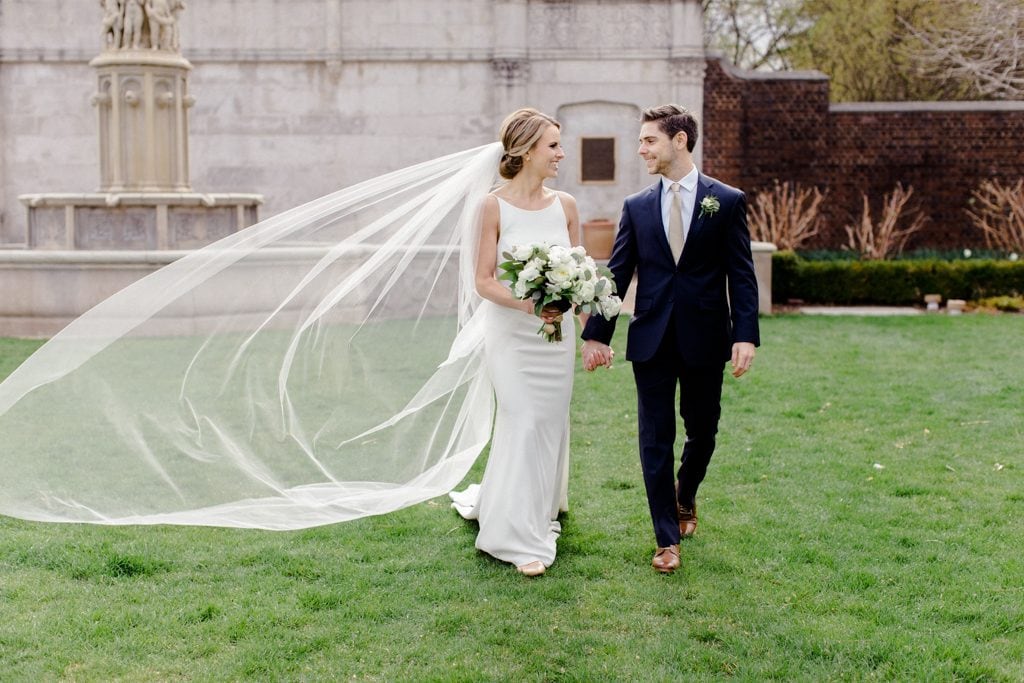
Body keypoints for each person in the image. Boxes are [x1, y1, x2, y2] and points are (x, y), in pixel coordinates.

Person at [581, 104, 760, 574]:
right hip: (652, 339)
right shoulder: (636, 207)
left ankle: (686, 494)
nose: (641, 149)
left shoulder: (727, 200)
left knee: (703, 431)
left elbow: (742, 276)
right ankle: (665, 539)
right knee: (654, 439)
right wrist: (596, 335)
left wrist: (746, 335)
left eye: (649, 140)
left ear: (679, 141)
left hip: (705, 337)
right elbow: (617, 275)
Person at [449, 108, 582, 577]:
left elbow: (580, 274)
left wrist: (586, 325)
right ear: (525, 151)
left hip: (556, 339)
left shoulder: (565, 205)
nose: (561, 154)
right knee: (522, 419)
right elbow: (484, 281)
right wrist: (531, 307)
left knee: (548, 421)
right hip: (512, 334)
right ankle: (514, 535)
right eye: (553, 146)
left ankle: (537, 505)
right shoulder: (492, 206)